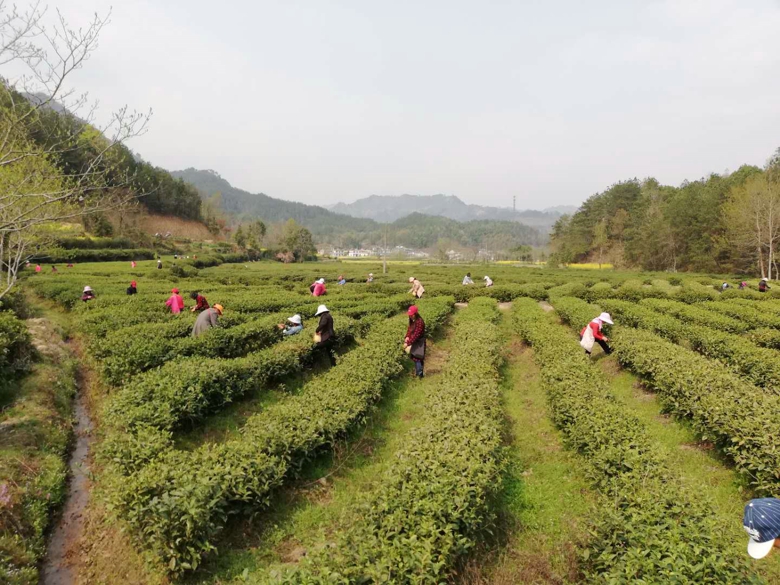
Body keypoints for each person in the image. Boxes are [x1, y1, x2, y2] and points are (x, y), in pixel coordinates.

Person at [404, 305, 426, 378]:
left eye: (411, 315)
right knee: (415, 357)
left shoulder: (420, 322)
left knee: (418, 358)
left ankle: (419, 375)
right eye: (409, 315)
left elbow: (416, 334)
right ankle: (419, 374)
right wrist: (407, 336)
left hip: (419, 342)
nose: (410, 316)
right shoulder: (412, 320)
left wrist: (408, 343)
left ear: (415, 314)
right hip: (414, 341)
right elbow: (409, 329)